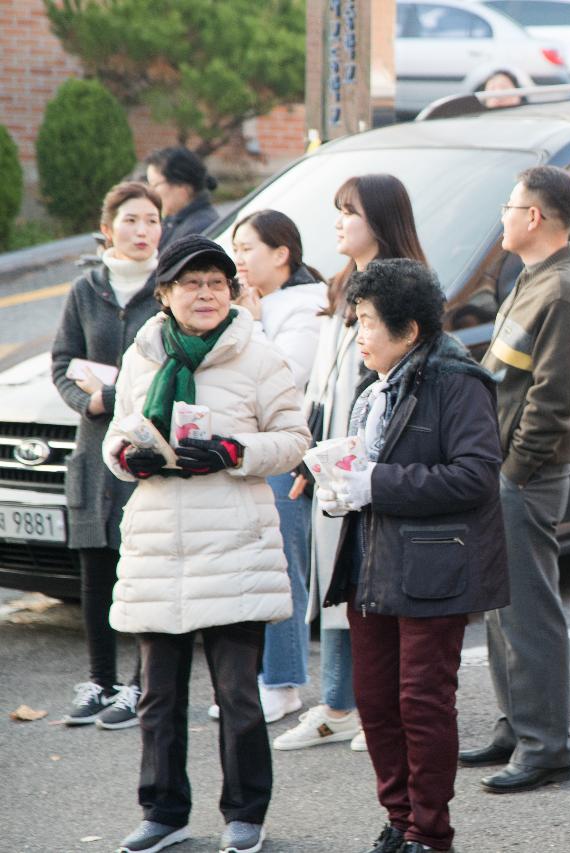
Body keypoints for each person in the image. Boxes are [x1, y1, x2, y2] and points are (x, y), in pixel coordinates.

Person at [102, 235, 309, 853]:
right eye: (191, 284)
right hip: (158, 545)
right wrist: (130, 457)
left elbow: (295, 437)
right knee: (159, 697)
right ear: (164, 295)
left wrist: (234, 452)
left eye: (217, 283)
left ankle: (245, 814)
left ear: (232, 292)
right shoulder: (142, 355)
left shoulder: (258, 356)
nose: (205, 294)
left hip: (236, 546)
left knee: (239, 697)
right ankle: (163, 812)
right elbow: (116, 439)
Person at [320, 258, 508, 853]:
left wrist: (374, 483)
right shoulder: (376, 386)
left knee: (422, 705)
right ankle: (400, 820)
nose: (360, 334)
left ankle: (431, 832)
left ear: (411, 330)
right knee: (375, 703)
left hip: (433, 569)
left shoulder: (457, 380)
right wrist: (340, 486)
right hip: (370, 566)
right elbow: (367, 469)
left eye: (370, 322)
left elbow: (476, 476)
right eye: (357, 320)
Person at [276, 174, 428, 753]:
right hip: (334, 460)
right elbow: (324, 386)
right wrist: (308, 457)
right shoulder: (342, 285)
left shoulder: (403, 286)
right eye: (337, 210)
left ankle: (375, 707)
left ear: (382, 220)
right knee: (336, 585)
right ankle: (340, 704)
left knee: (373, 586)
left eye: (350, 211)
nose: (338, 221)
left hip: (373, 465)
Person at [462, 165, 570, 794]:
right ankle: (517, 727)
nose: (504, 217)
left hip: (526, 476)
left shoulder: (563, 288)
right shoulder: (532, 277)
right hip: (500, 470)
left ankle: (547, 748)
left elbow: (552, 400)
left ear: (535, 217)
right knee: (500, 609)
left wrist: (511, 471)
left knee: (529, 613)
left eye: (511, 206)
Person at [50, 181, 163, 729]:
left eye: (152, 221)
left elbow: (168, 369)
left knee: (141, 569)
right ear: (108, 226)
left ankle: (140, 687)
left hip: (146, 451)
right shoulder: (85, 289)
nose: (142, 231)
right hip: (94, 451)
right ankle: (100, 680)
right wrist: (84, 399)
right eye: (131, 220)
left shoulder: (170, 288)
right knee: (96, 568)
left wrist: (114, 396)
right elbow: (62, 362)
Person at [225, 210, 328, 724]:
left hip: (286, 452)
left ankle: (283, 681)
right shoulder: (261, 307)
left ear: (281, 253)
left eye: (247, 248)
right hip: (250, 449)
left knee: (282, 566)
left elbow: (283, 379)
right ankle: (259, 679)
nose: (237, 259)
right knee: (254, 564)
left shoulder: (306, 307)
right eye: (236, 248)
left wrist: (252, 322)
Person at [145, 147, 220, 250]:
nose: (151, 193)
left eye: (155, 185)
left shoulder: (199, 229)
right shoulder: (171, 221)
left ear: (182, 186)